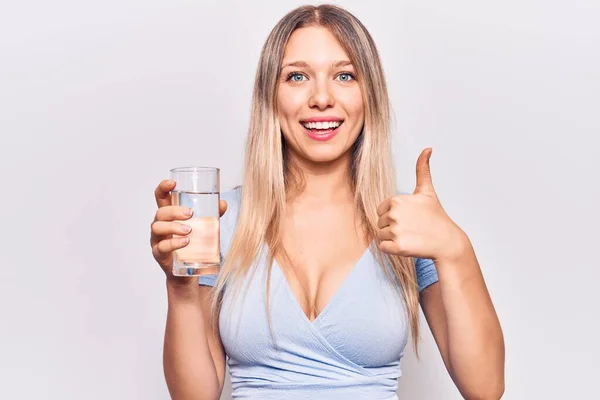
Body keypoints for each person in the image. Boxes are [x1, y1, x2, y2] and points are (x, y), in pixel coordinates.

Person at [150, 4, 505, 400]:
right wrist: (179, 289)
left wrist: (455, 249)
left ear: (369, 94)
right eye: (297, 76)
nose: (322, 98)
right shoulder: (223, 219)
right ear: (270, 95)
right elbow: (194, 396)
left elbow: (485, 389)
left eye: (345, 75)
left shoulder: (408, 223)